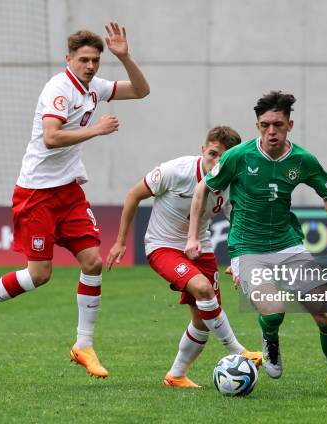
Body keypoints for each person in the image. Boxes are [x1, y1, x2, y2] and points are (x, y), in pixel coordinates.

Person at [0, 22, 150, 379]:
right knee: (39, 275)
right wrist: (96, 130)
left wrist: (125, 56)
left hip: (68, 191)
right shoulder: (58, 89)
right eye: (84, 60)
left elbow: (141, 90)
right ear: (68, 59)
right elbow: (51, 138)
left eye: (96, 61)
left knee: (92, 262)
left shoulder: (94, 88)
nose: (90, 66)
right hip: (37, 194)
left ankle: (83, 345)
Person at [185, 91, 327, 396]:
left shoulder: (302, 159)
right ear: (257, 126)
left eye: (278, 125)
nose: (271, 132)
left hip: (287, 244)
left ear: (289, 125)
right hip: (247, 247)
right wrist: (191, 236)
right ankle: (270, 340)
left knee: (326, 313)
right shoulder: (239, 156)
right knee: (274, 310)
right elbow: (202, 189)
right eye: (265, 125)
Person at [106, 126, 262, 388]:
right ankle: (237, 350)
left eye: (223, 158)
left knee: (202, 321)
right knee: (203, 289)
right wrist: (121, 241)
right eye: (212, 154)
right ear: (203, 150)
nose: (216, 162)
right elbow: (134, 195)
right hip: (162, 246)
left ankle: (176, 375)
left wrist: (239, 261)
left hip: (201, 248)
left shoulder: (229, 185)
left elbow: (238, 224)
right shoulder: (175, 170)